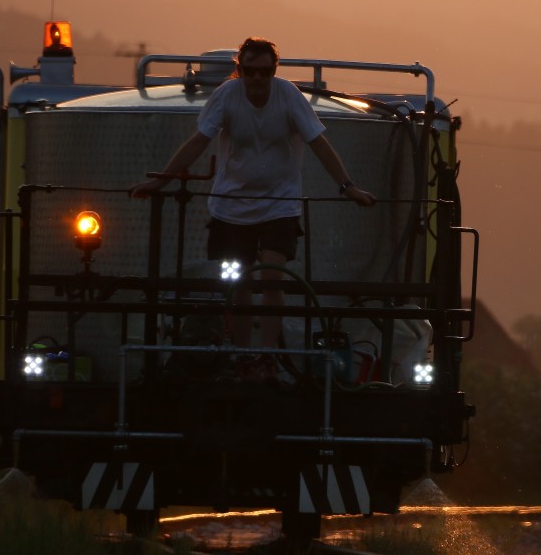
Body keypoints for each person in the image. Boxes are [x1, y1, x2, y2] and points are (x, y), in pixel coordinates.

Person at [130, 37, 376, 379]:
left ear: (274, 71)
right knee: (241, 282)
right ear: (239, 71)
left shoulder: (288, 96)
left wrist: (348, 187)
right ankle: (244, 355)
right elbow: (198, 141)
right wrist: (162, 181)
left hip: (279, 203)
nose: (257, 79)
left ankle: (265, 355)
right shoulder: (226, 97)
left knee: (273, 278)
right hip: (232, 205)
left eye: (264, 72)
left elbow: (318, 142)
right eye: (250, 72)